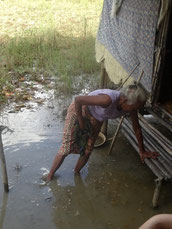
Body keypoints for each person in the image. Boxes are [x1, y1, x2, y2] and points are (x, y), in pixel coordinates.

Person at [44, 83, 158, 182]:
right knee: (67, 147)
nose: (136, 110)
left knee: (88, 149)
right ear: (125, 100)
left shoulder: (130, 109)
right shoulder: (107, 99)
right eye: (135, 106)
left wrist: (142, 151)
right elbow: (78, 100)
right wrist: (81, 122)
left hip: (96, 118)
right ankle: (49, 177)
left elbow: (137, 128)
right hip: (80, 110)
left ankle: (76, 174)